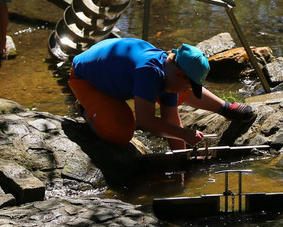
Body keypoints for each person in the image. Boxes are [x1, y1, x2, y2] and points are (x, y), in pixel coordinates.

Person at [68, 37, 257, 149]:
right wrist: (185, 134)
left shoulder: (170, 70)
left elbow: (171, 120)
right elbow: (145, 121)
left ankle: (224, 108)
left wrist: (181, 161)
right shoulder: (149, 71)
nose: (189, 89)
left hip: (113, 71)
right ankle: (86, 109)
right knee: (121, 132)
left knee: (178, 93)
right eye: (189, 84)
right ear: (180, 73)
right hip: (85, 78)